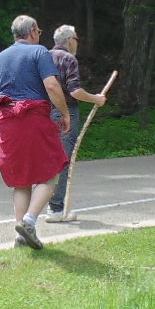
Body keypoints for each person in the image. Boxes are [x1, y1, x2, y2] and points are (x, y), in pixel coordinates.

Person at [0, 15, 72, 250]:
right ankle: (29, 221)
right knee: (52, 170)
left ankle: (21, 235)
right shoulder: (39, 52)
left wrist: (2, 121)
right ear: (33, 31)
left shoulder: (0, 57)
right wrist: (64, 113)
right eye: (39, 31)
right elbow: (51, 85)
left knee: (20, 180)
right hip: (34, 120)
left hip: (8, 123)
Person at [45, 25, 107, 220]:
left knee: (48, 158)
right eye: (76, 39)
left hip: (42, 113)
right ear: (70, 40)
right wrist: (96, 99)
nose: (77, 43)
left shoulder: (43, 57)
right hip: (64, 113)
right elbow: (75, 91)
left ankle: (43, 206)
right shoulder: (68, 59)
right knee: (62, 159)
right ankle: (56, 208)